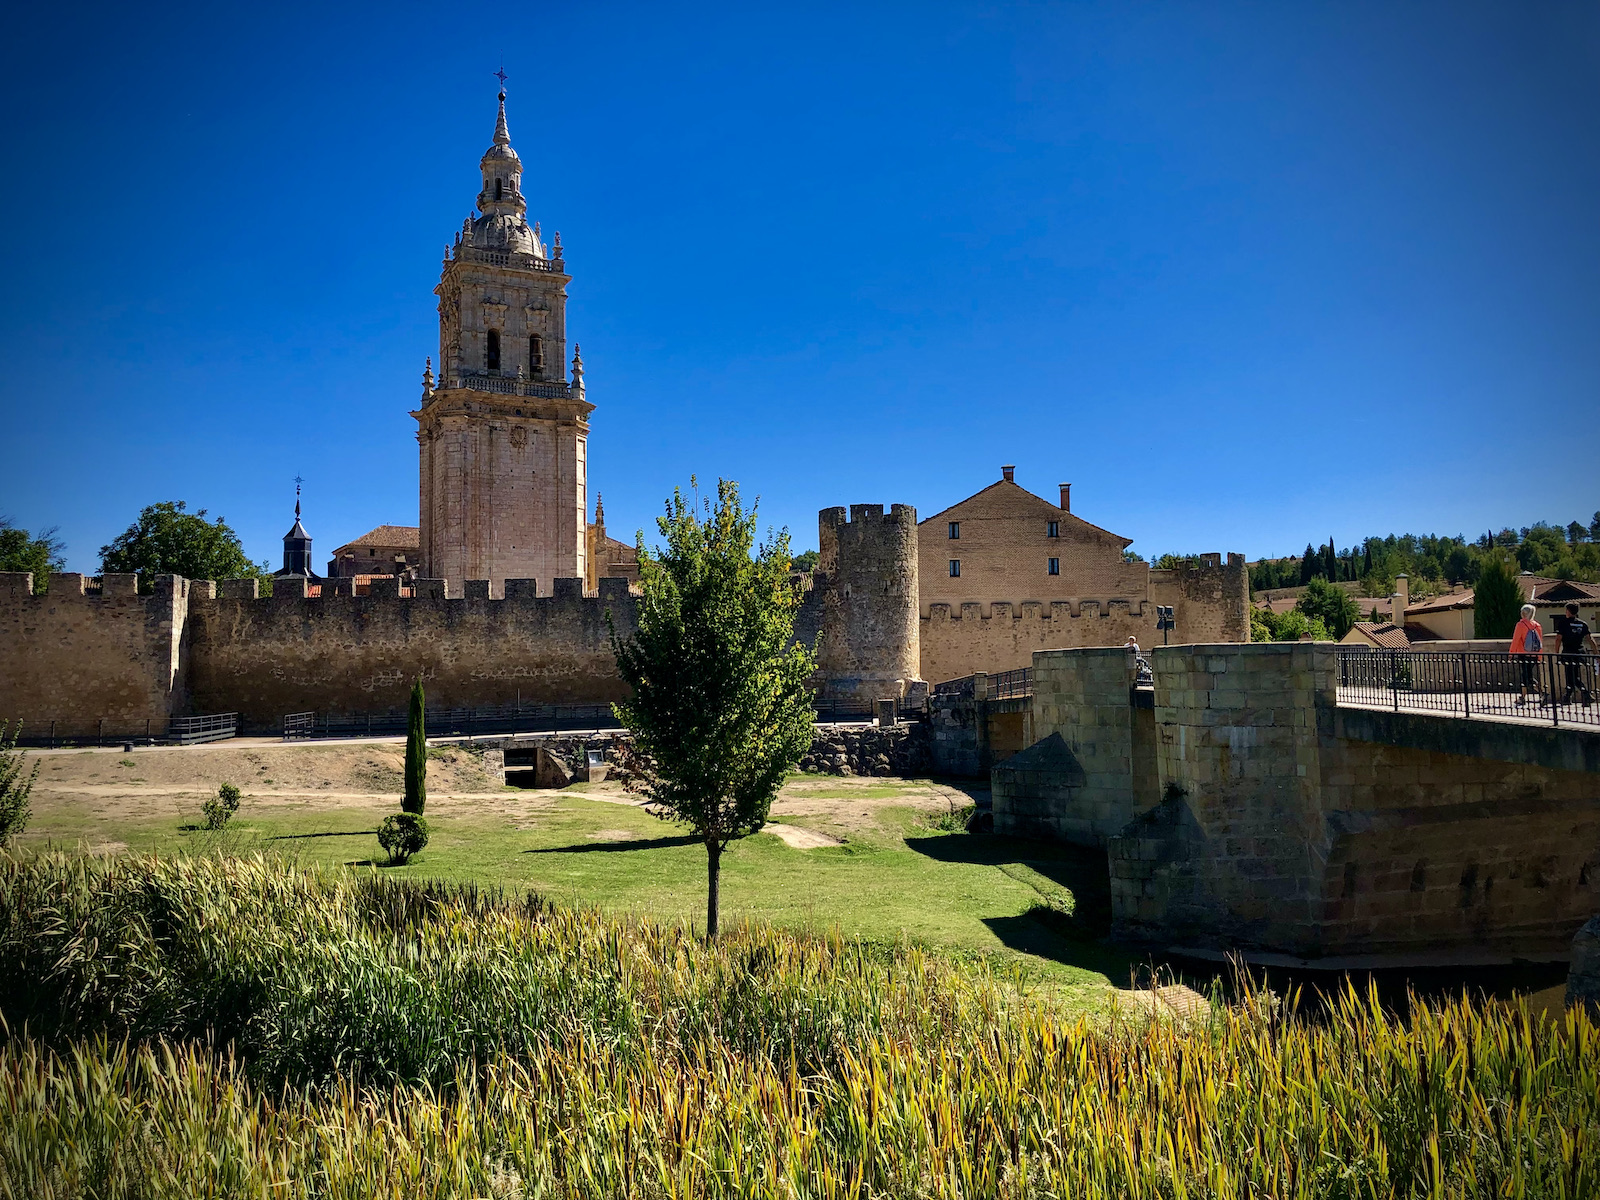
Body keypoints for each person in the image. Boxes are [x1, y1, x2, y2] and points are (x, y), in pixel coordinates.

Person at [1553, 602, 1598, 706]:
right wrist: (1596, 653)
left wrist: (1556, 653)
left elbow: (1558, 639)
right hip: (1580, 652)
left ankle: (1586, 694)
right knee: (1572, 675)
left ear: (1568, 611)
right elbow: (1590, 639)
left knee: (1572, 676)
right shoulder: (1582, 624)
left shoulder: (1563, 623)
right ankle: (1567, 697)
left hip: (1568, 652)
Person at [1509, 603, 1546, 707]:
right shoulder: (1537, 625)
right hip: (1534, 654)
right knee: (1527, 675)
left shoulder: (1520, 625)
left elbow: (1515, 640)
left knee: (1526, 676)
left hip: (1523, 653)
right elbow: (1540, 642)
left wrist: (1511, 653)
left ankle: (1529, 695)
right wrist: (1539, 656)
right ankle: (1538, 693)